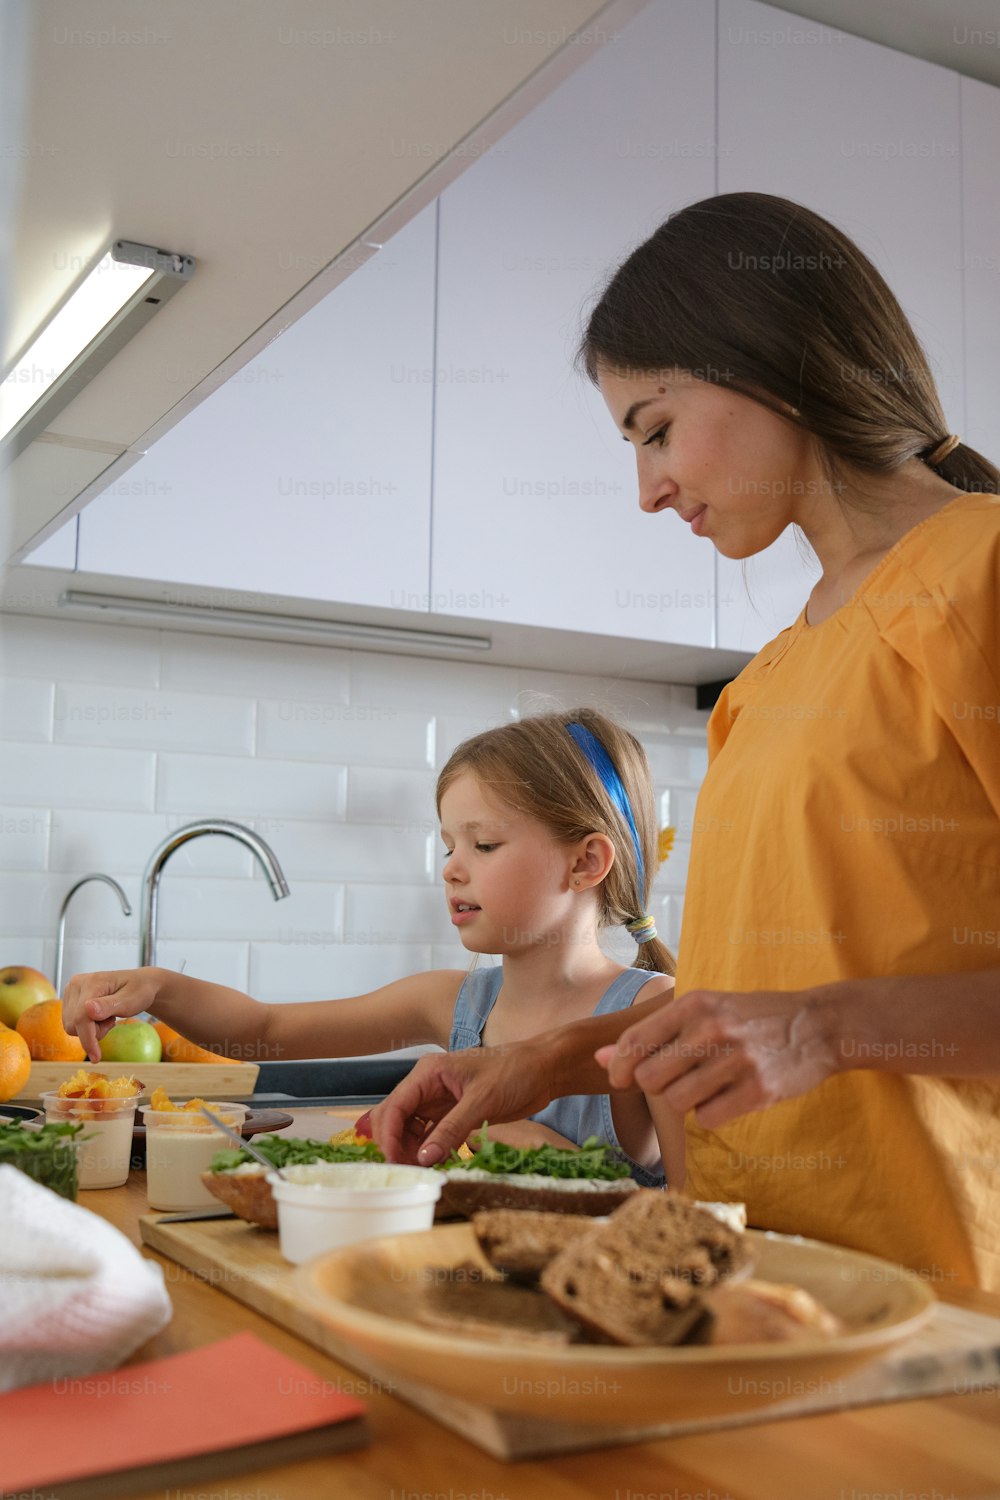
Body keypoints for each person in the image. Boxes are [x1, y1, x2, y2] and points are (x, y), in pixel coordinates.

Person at [369, 191, 1000, 1292]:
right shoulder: (764, 683)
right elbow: (750, 993)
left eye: (656, 429)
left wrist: (822, 1030)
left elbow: (807, 1018)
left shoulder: (980, 575)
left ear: (777, 359)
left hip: (943, 1306)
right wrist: (544, 1061)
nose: (649, 491)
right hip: (747, 1284)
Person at [61, 707, 685, 1187]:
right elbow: (265, 1027)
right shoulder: (455, 1003)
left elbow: (700, 1216)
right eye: (448, 846)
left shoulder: (660, 1013)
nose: (452, 870)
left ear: (586, 862)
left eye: (484, 845)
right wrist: (160, 988)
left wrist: (516, 1137)